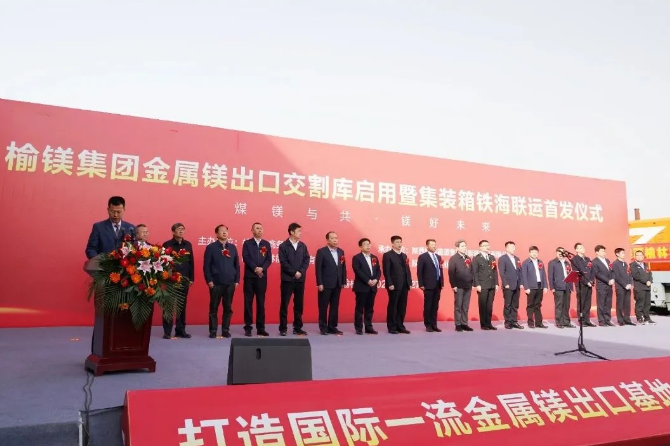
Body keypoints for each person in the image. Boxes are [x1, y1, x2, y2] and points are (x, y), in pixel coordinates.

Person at [85, 196, 135, 354]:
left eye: (119, 211)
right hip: (105, 278)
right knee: (104, 316)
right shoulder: (99, 227)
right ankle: (99, 352)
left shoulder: (130, 228)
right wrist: (101, 262)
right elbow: (90, 249)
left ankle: (120, 351)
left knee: (122, 315)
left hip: (125, 279)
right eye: (113, 211)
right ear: (108, 210)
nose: (115, 215)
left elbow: (135, 252)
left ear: (124, 210)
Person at [203, 225, 239, 338]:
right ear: (216, 234)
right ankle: (213, 331)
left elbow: (237, 265)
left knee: (228, 308)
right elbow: (206, 266)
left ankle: (225, 330)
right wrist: (209, 280)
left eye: (226, 231)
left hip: (230, 283)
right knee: (213, 309)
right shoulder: (211, 247)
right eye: (221, 231)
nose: (224, 233)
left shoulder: (232, 247)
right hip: (216, 283)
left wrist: (236, 280)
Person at [162, 223, 194, 339]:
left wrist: (191, 278)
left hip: (184, 279)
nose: (181, 231)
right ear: (173, 232)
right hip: (171, 280)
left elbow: (191, 262)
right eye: (178, 229)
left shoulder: (188, 244)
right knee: (168, 306)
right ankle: (167, 331)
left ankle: (180, 330)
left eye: (182, 229)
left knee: (181, 306)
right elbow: (163, 262)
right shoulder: (167, 244)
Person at [277, 223, 310, 336]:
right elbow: (283, 262)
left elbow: (306, 260)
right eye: (298, 231)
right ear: (291, 232)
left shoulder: (303, 246)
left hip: (300, 279)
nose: (301, 233)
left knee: (299, 305)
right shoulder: (283, 246)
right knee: (284, 304)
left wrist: (300, 271)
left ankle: (297, 327)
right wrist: (294, 272)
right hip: (287, 280)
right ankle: (283, 328)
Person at [241, 222, 272, 337]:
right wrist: (255, 268)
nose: (259, 230)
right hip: (250, 277)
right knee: (248, 302)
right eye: (257, 228)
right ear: (252, 231)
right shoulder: (247, 243)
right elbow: (246, 257)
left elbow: (269, 259)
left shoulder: (266, 244)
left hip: (261, 277)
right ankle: (248, 327)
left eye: (261, 228)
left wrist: (262, 269)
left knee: (261, 302)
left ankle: (261, 328)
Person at [314, 231, 347, 335]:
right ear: (327, 240)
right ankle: (323, 327)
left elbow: (343, 267)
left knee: (334, 306)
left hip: (337, 283)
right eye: (332, 238)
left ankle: (332, 326)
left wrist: (343, 281)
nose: (335, 240)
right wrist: (319, 283)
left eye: (336, 238)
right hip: (325, 283)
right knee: (323, 306)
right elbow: (318, 269)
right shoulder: (321, 251)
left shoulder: (341, 251)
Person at [382, 235, 412, 334]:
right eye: (397, 242)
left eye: (400, 242)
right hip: (394, 285)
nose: (399, 244)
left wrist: (409, 282)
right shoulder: (388, 255)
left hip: (404, 284)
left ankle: (400, 326)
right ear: (392, 244)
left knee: (402, 306)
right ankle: (392, 327)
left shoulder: (404, 255)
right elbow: (386, 271)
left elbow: (407, 270)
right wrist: (390, 283)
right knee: (393, 306)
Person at [351, 238, 380, 335]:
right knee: (359, 308)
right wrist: (367, 280)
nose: (368, 246)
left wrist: (376, 279)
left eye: (369, 244)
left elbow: (378, 270)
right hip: (361, 286)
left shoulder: (374, 258)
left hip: (372, 287)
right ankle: (358, 327)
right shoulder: (357, 258)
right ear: (360, 247)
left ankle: (369, 327)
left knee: (370, 308)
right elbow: (357, 270)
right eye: (365, 244)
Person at [417, 239, 444, 332]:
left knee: (435, 306)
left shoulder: (438, 257)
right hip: (428, 285)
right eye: (432, 244)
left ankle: (434, 324)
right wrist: (421, 284)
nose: (434, 246)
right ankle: (428, 325)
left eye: (435, 244)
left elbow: (440, 271)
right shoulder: (423, 257)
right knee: (428, 305)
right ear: (427, 246)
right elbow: (419, 271)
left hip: (437, 284)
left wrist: (442, 283)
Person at [471, 239, 499, 330]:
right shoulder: (477, 258)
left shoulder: (491, 257)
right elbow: (475, 272)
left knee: (489, 305)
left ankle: (489, 323)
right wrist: (477, 284)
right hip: (482, 285)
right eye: (484, 245)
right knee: (483, 305)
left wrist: (496, 283)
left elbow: (495, 271)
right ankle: (483, 324)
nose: (487, 247)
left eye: (488, 245)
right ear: (480, 247)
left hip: (491, 284)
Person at [448, 239, 474, 332]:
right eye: (462, 246)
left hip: (468, 285)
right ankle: (458, 324)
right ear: (457, 248)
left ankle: (464, 323)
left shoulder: (468, 258)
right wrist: (453, 285)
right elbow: (451, 273)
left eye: (465, 246)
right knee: (458, 305)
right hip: (458, 286)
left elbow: (472, 271)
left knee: (465, 306)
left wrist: (473, 283)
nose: (464, 247)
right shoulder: (454, 258)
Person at [521, 246, 548, 328]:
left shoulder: (540, 262)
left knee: (538, 305)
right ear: (529, 253)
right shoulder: (526, 262)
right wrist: (526, 287)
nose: (534, 254)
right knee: (530, 305)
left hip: (540, 286)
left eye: (536, 252)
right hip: (531, 286)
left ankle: (539, 323)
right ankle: (530, 322)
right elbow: (524, 276)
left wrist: (545, 286)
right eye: (532, 252)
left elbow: (544, 275)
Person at [498, 241, 524, 329]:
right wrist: (505, 283)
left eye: (514, 247)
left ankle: (514, 321)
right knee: (508, 304)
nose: (513, 249)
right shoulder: (502, 259)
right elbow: (502, 272)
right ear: (506, 248)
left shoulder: (517, 258)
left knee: (515, 304)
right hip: (508, 285)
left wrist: (521, 283)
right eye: (511, 247)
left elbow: (520, 272)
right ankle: (508, 322)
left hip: (517, 285)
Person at [547, 247, 575, 328]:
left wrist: (571, 286)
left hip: (567, 286)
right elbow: (550, 276)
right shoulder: (552, 263)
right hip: (558, 286)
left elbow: (570, 274)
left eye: (562, 252)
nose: (560, 253)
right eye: (559, 252)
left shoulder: (567, 263)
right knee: (559, 305)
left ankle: (566, 321)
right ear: (556, 253)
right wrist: (552, 287)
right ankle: (559, 322)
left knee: (566, 305)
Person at [571, 243, 596, 327]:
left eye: (583, 247)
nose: (583, 249)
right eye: (580, 248)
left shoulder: (587, 259)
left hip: (589, 284)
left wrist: (591, 281)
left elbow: (592, 271)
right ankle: (581, 321)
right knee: (581, 303)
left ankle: (587, 320)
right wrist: (586, 282)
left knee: (588, 303)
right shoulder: (574, 260)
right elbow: (577, 273)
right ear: (576, 250)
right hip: (581, 284)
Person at [630, 250, 656, 325]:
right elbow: (636, 276)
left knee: (647, 304)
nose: (639, 257)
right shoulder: (633, 265)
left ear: (643, 256)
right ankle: (639, 318)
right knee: (640, 303)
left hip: (647, 287)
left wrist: (650, 281)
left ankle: (647, 318)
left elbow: (650, 274)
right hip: (639, 287)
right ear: (635, 256)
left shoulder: (645, 264)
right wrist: (646, 281)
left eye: (640, 255)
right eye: (637, 255)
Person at [592, 245, 615, 327]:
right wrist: (608, 280)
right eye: (602, 251)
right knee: (601, 304)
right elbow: (597, 274)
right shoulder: (594, 262)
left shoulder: (607, 260)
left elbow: (612, 271)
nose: (604, 252)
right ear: (597, 252)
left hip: (609, 285)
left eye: (604, 251)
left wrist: (612, 279)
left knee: (608, 303)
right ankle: (601, 320)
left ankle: (607, 319)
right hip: (601, 285)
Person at [612, 248, 635, 326]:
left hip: (628, 287)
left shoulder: (625, 263)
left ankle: (627, 319)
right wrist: (625, 285)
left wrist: (630, 283)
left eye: (624, 253)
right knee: (620, 304)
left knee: (627, 304)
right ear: (617, 254)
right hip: (620, 287)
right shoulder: (615, 264)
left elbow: (629, 274)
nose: (624, 254)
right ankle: (620, 320)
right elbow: (617, 277)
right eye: (622, 253)